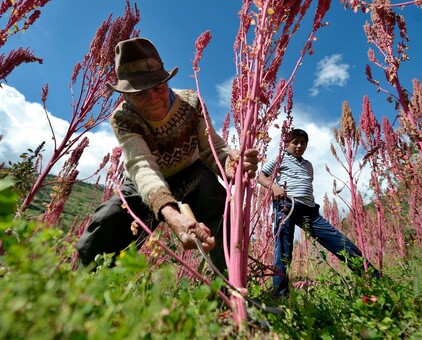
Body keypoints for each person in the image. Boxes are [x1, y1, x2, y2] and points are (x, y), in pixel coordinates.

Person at [75, 37, 258, 271]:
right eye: (141, 94)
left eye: (158, 88)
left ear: (166, 83)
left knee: (221, 208)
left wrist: (233, 164)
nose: (153, 100)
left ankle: (227, 293)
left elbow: (213, 149)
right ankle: (82, 290)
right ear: (126, 95)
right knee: (108, 219)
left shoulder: (191, 102)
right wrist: (170, 214)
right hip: (145, 180)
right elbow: (142, 165)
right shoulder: (123, 117)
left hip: (191, 173)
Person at [258, 128, 379, 298]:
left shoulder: (308, 165)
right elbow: (261, 176)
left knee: (339, 242)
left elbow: (307, 184)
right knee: (284, 252)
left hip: (309, 211)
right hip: (286, 205)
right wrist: (275, 187)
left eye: (303, 143)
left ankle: (374, 279)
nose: (299, 146)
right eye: (295, 142)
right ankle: (280, 296)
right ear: (287, 144)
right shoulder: (280, 158)